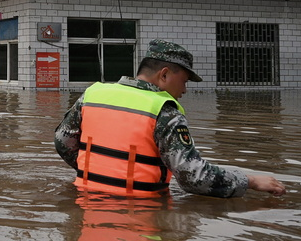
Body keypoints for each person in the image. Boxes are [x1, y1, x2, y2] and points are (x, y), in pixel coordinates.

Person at [54, 39, 286, 198]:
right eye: (184, 81)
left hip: (85, 205)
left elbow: (63, 142)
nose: (184, 90)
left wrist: (98, 170)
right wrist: (250, 181)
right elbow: (195, 178)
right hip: (140, 213)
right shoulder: (164, 110)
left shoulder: (93, 94)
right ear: (164, 74)